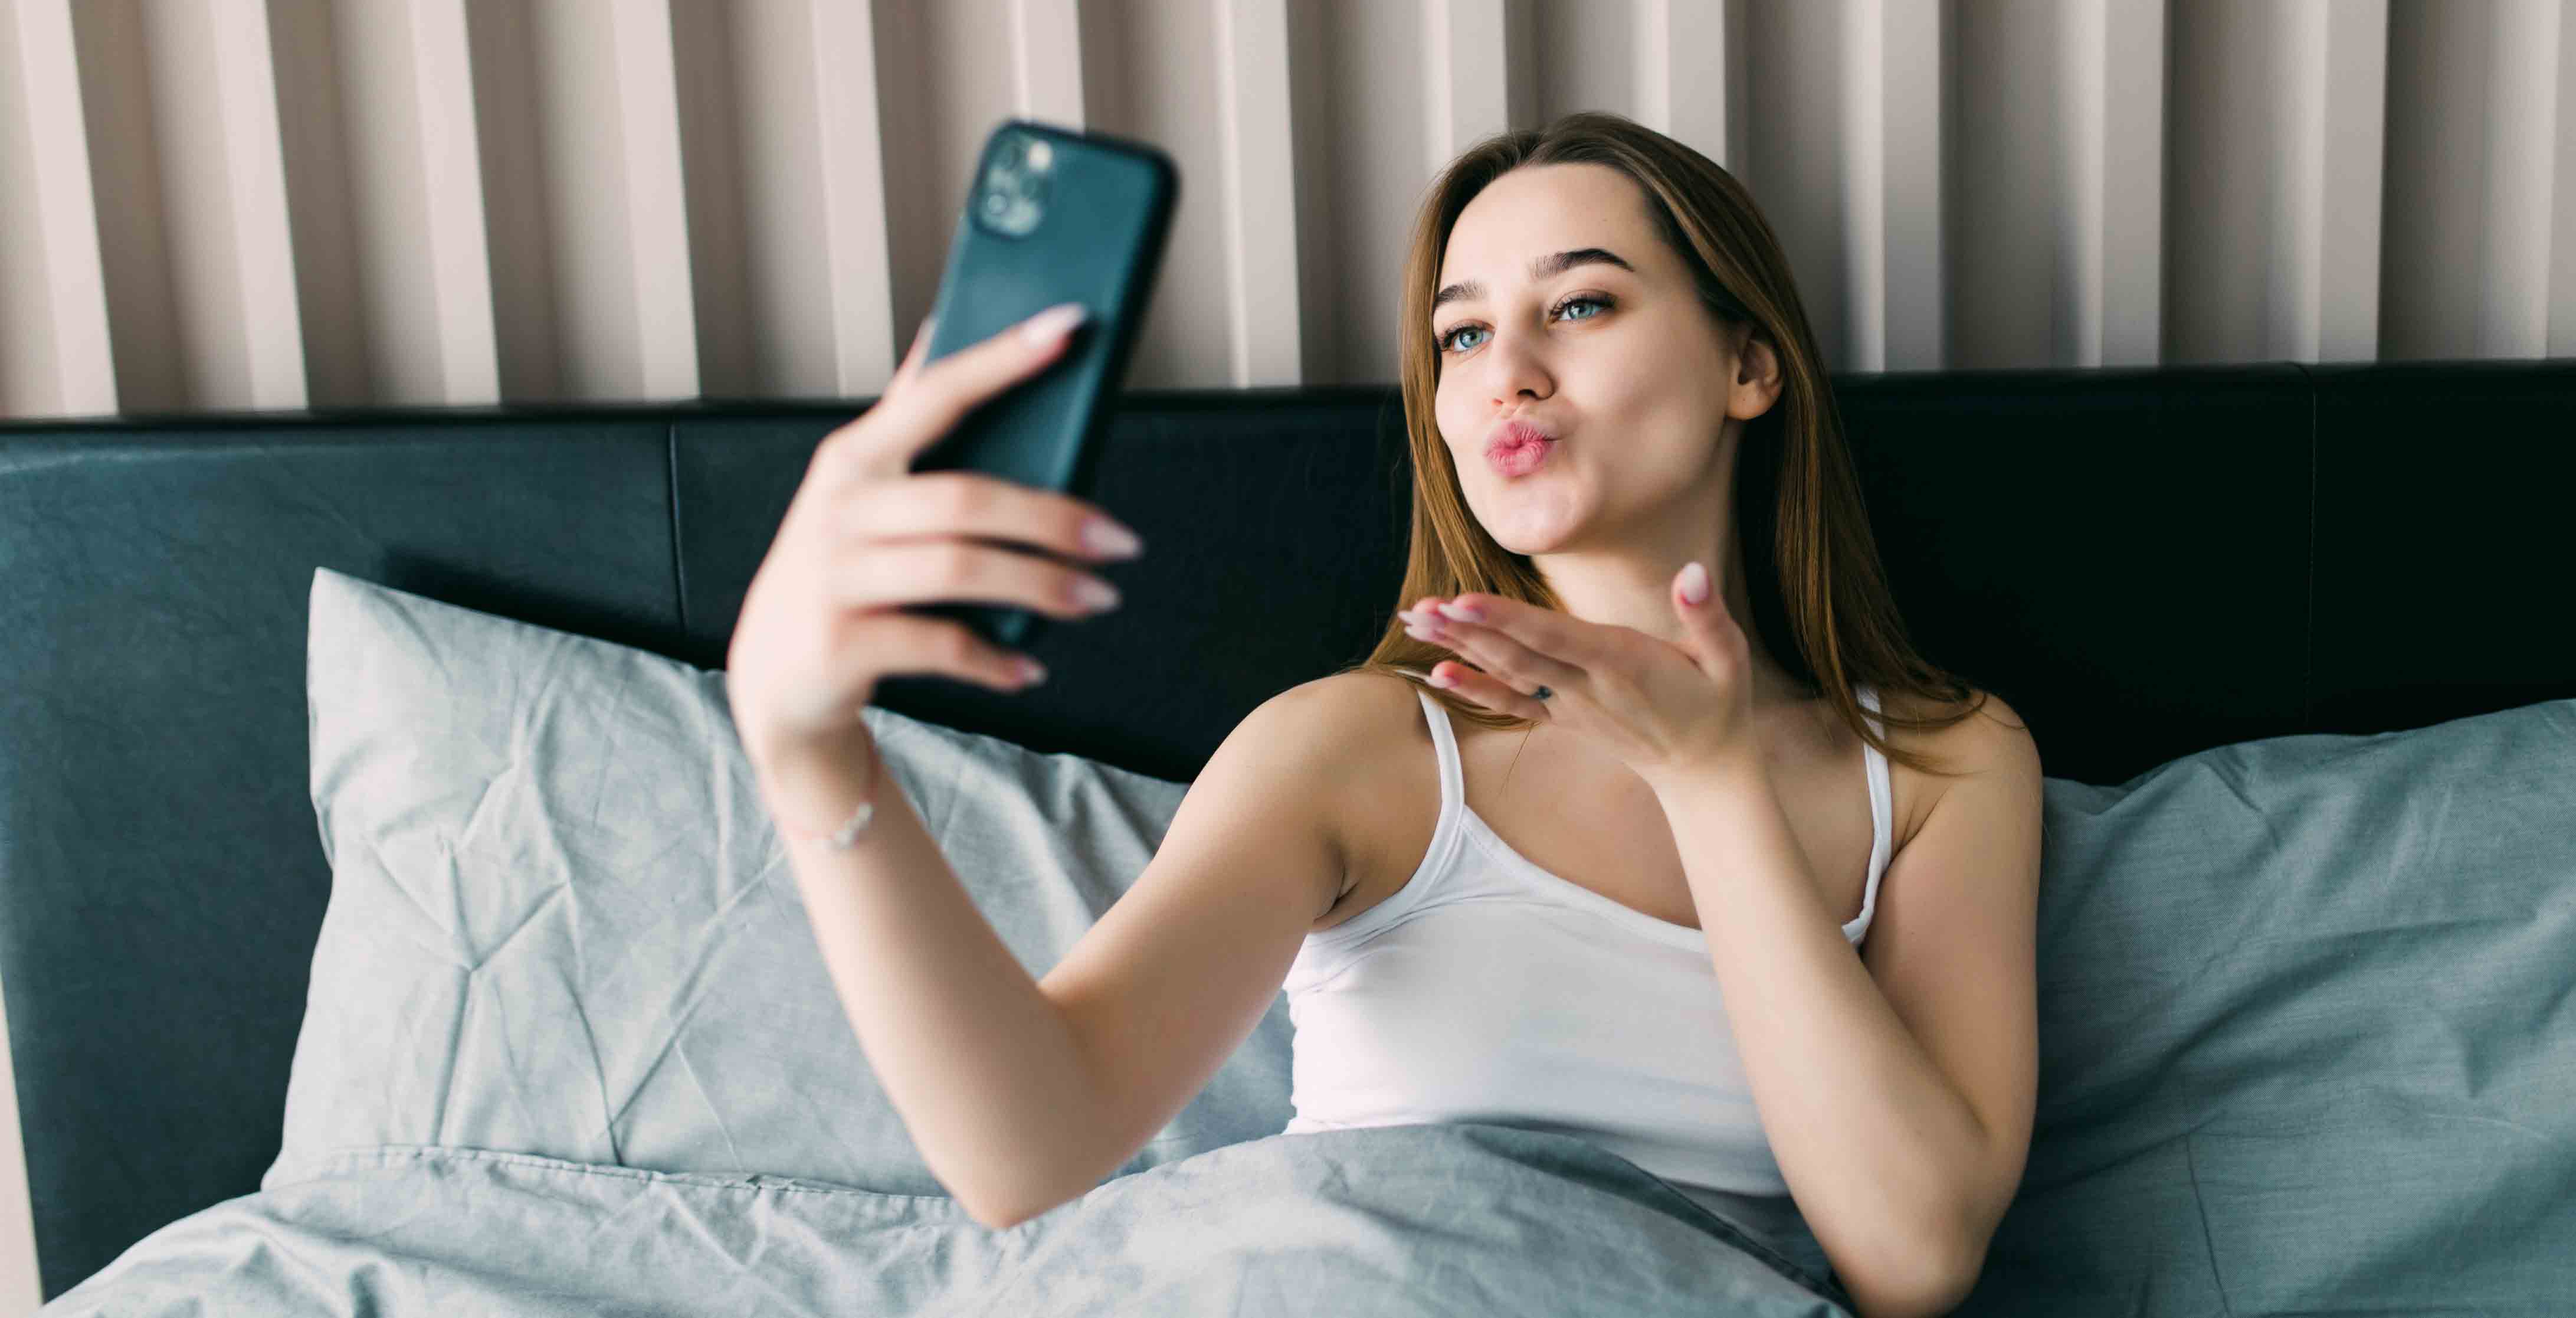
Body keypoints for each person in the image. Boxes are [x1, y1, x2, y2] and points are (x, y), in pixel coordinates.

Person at [726, 111, 2039, 1318]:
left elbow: (1913, 1258)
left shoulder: (1941, 765)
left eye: (1578, 304)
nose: (1505, 373)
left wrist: (1712, 783)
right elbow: (1029, 1149)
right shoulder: (1354, 751)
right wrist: (807, 754)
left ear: (1750, 363)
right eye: (1463, 335)